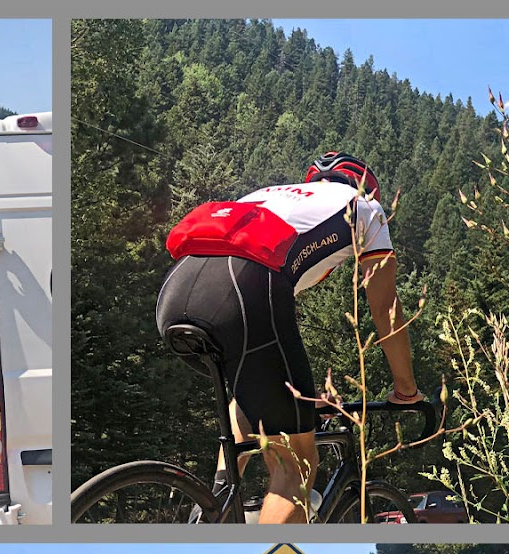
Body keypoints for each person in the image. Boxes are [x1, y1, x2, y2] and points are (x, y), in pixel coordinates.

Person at [156, 151, 424, 523]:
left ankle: (214, 503)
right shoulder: (364, 206)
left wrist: (304, 396)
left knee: (248, 392)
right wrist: (406, 391)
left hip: (176, 292)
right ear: (367, 186)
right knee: (295, 466)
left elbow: (270, 347)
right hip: (245, 286)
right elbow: (386, 311)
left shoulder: (266, 195)